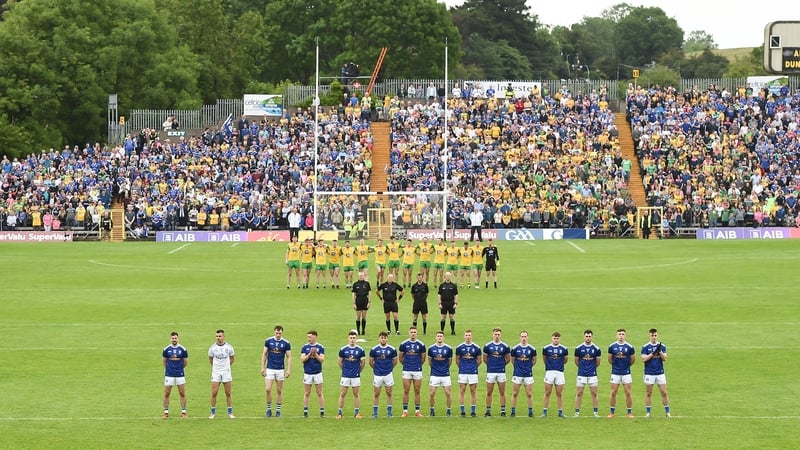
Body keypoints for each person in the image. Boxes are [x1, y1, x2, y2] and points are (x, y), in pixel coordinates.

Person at [261, 325, 292, 418]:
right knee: (268, 389)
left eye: (280, 333)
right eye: (276, 333)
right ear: (274, 332)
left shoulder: (286, 343)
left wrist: (288, 369)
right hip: (270, 368)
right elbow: (264, 354)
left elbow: (289, 357)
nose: (278, 334)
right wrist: (262, 367)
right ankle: (269, 409)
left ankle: (278, 410)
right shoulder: (268, 341)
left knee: (279, 390)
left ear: (282, 333)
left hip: (280, 369)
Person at [641, 328, 671, 418]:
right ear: (649, 336)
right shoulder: (645, 347)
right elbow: (643, 359)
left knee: (664, 392)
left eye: (655, 335)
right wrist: (653, 353)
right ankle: (648, 412)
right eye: (652, 335)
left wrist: (660, 351)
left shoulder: (662, 346)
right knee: (649, 393)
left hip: (660, 373)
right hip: (649, 373)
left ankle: (667, 412)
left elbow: (665, 358)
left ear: (657, 336)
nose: (654, 337)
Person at [337, 330, 367, 419]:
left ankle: (357, 413)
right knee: (343, 394)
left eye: (354, 338)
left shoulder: (360, 350)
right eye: (351, 338)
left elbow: (363, 363)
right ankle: (339, 413)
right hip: (345, 375)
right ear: (348, 339)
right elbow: (339, 362)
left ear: (356, 339)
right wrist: (345, 370)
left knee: (356, 394)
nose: (352, 340)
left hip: (356, 376)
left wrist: (358, 371)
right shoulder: (343, 349)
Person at [369, 331, 399, 418]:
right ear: (379, 339)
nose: (383, 339)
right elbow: (371, 362)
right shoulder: (374, 349)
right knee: (376, 394)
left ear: (387, 339)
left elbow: (395, 361)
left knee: (389, 393)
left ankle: (389, 413)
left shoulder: (392, 349)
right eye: (382, 338)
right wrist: (376, 369)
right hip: (378, 374)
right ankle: (375, 413)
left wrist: (389, 369)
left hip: (388, 374)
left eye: (385, 338)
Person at [398, 326, 426, 417]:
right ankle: (405, 411)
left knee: (417, 390)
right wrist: (407, 365)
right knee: (406, 390)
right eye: (411, 332)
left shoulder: (421, 344)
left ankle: (417, 411)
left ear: (416, 333)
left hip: (417, 370)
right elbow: (400, 358)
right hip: (407, 370)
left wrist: (417, 365)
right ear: (409, 333)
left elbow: (423, 358)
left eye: (414, 332)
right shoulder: (403, 344)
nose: (413, 333)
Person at [608, 328, 636, 418]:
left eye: (623, 334)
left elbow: (632, 360)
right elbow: (610, 359)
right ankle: (612, 412)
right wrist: (616, 367)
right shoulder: (611, 347)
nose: (621, 336)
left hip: (626, 373)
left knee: (628, 392)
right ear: (616, 335)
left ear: (625, 335)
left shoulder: (630, 347)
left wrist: (626, 367)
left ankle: (629, 412)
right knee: (613, 392)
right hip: (615, 372)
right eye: (619, 334)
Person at [483, 327, 511, 416]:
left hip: (501, 372)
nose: (497, 336)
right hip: (491, 371)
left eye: (498, 334)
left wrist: (501, 365)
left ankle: (503, 411)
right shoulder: (487, 346)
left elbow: (508, 359)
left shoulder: (505, 346)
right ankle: (488, 411)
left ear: (501, 335)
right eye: (495, 334)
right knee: (489, 392)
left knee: (502, 392)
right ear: (493, 334)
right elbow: (485, 359)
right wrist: (491, 365)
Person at [208, 329, 236, 419]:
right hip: (216, 372)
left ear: (223, 337)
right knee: (214, 392)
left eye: (220, 336)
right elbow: (210, 359)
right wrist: (216, 367)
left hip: (226, 372)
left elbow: (232, 358)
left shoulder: (229, 347)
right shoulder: (212, 348)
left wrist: (226, 367)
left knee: (228, 393)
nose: (218, 338)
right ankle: (212, 412)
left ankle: (230, 412)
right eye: (217, 336)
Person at [541, 331, 569, 418]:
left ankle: (560, 411)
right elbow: (544, 359)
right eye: (554, 338)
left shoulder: (564, 349)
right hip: (549, 372)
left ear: (559, 339)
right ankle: (544, 411)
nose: (556, 340)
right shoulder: (546, 348)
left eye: (557, 338)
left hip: (560, 372)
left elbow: (565, 360)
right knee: (547, 392)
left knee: (559, 393)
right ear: (552, 338)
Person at [574, 329, 601, 418]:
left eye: (589, 336)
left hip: (592, 374)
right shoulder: (578, 348)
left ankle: (596, 412)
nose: (588, 338)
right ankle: (577, 413)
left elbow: (598, 362)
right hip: (581, 373)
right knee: (579, 393)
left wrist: (591, 369)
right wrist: (583, 368)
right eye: (586, 336)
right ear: (584, 337)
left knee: (594, 393)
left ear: (592, 337)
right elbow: (576, 361)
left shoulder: (596, 349)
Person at [510, 330, 537, 417]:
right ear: (520, 337)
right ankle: (513, 412)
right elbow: (513, 360)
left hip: (528, 374)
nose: (524, 338)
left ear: (527, 337)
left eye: (525, 336)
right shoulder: (515, 349)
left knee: (529, 394)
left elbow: (534, 360)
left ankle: (530, 412)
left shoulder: (532, 349)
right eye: (522, 336)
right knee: (514, 393)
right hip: (517, 374)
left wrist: (528, 367)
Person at [455, 329, 482, 417]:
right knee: (462, 390)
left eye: (469, 335)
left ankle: (473, 411)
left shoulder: (476, 347)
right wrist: (463, 367)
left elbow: (479, 360)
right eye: (466, 335)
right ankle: (462, 411)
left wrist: (473, 367)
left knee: (473, 391)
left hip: (473, 372)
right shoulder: (459, 347)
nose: (468, 337)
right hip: (463, 372)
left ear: (471, 336)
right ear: (464, 336)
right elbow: (457, 360)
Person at [427, 330, 454, 416]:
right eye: (438, 336)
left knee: (448, 393)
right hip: (434, 374)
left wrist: (444, 369)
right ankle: (432, 410)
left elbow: (449, 361)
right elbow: (429, 361)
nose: (439, 337)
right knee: (432, 393)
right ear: (436, 337)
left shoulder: (448, 348)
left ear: (443, 338)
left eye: (441, 336)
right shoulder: (431, 349)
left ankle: (448, 410)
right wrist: (435, 369)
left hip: (445, 374)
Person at [162, 331, 188, 419]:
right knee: (167, 393)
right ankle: (166, 412)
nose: (174, 339)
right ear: (170, 339)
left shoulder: (183, 349)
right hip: (169, 374)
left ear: (178, 338)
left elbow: (185, 362)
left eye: (175, 338)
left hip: (180, 374)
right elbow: (164, 362)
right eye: (172, 338)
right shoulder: (166, 349)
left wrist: (179, 369)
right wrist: (170, 369)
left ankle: (183, 412)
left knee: (182, 393)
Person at [301, 330, 326, 418]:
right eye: (308, 337)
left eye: (310, 337)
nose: (308, 339)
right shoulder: (305, 347)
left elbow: (322, 360)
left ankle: (322, 411)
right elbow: (302, 359)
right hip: (307, 373)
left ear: (315, 336)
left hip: (317, 373)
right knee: (307, 393)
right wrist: (309, 354)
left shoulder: (320, 347)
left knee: (319, 392)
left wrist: (315, 355)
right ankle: (305, 411)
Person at [437, 271, 459, 335]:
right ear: (445, 277)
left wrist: (455, 303)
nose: (448, 277)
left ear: (450, 277)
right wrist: (439, 303)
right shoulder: (442, 285)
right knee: (443, 317)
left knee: (451, 317)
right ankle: (442, 331)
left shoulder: (453, 286)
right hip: (443, 303)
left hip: (451, 303)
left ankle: (453, 331)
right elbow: (439, 295)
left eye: (449, 276)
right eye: (447, 276)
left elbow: (456, 295)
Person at [351, 271, 372, 336]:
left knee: (364, 316)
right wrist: (354, 303)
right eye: (360, 275)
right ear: (358, 276)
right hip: (358, 300)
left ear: (364, 276)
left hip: (365, 300)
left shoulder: (367, 284)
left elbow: (370, 293)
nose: (361, 276)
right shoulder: (355, 284)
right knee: (358, 317)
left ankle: (363, 330)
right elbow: (353, 294)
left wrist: (369, 302)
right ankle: (358, 330)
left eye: (362, 275)